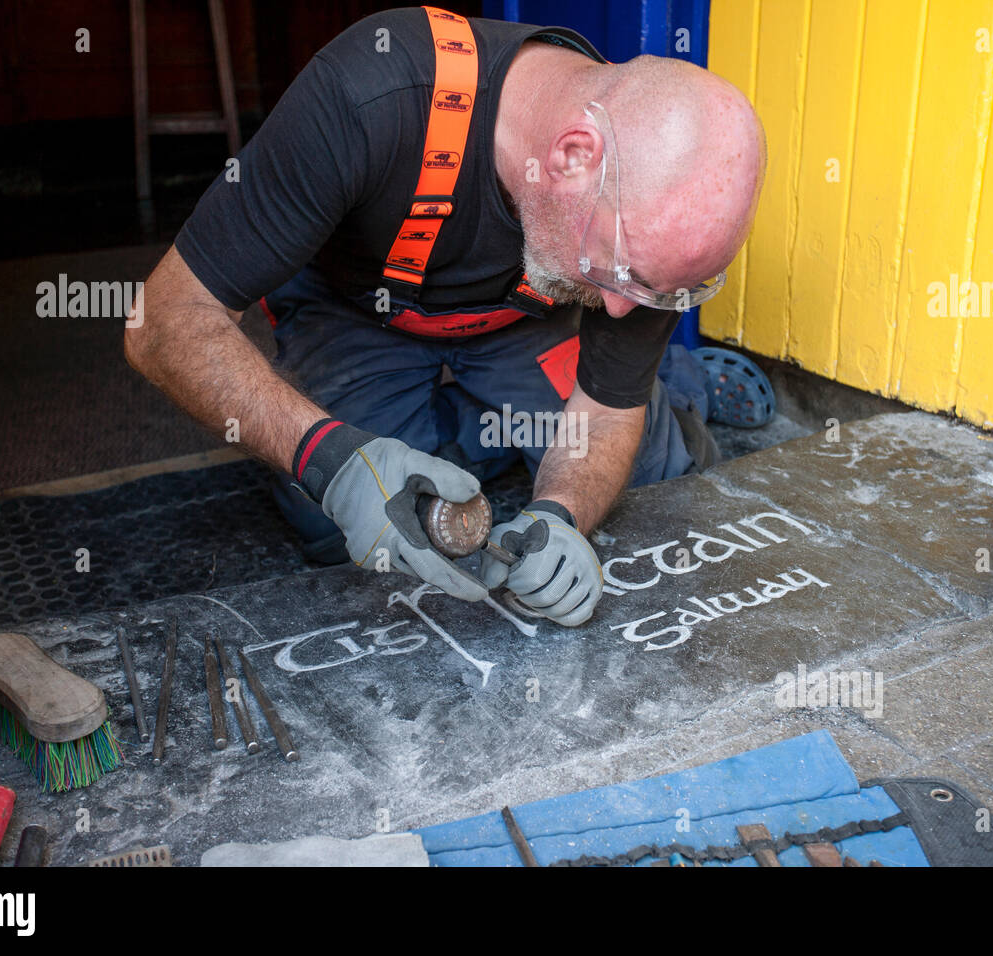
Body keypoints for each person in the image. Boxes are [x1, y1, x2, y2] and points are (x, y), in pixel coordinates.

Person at [124, 6, 766, 627]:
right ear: (573, 156)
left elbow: (604, 412)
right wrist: (333, 460)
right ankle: (504, 424)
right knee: (342, 528)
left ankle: (668, 385)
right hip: (361, 316)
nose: (622, 308)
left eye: (650, 293)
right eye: (622, 277)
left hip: (518, 320)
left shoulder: (654, 228)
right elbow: (161, 319)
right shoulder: (368, 97)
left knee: (648, 473)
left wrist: (560, 515)